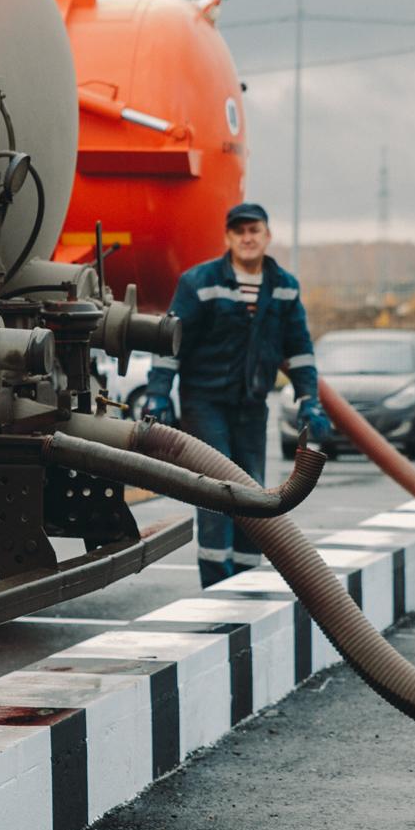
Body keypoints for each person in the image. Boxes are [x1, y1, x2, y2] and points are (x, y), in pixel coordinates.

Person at [145, 201, 331, 587]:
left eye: (254, 231)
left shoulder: (283, 287)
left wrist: (309, 398)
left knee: (252, 492)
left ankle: (245, 580)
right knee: (217, 491)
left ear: (267, 236)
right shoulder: (200, 282)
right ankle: (216, 585)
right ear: (228, 237)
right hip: (204, 402)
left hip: (251, 403)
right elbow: (170, 342)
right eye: (240, 231)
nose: (247, 238)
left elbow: (298, 348)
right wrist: (158, 394)